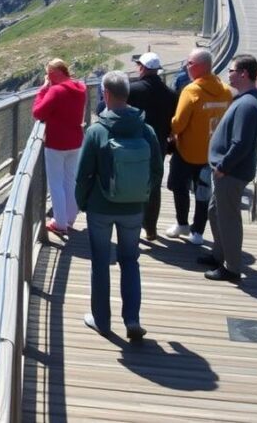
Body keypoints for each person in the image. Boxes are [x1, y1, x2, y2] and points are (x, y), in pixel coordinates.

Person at [75, 71, 162, 341]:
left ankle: (101, 320)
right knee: (130, 261)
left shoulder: (97, 131)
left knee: (100, 262)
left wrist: (83, 203)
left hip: (100, 208)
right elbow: (157, 169)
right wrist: (143, 195)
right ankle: (132, 318)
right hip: (134, 208)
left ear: (106, 94)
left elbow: (82, 174)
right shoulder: (145, 130)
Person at [200, 55, 257, 283]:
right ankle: (220, 255)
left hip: (230, 173)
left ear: (243, 74)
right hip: (227, 171)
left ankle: (232, 267)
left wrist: (223, 166)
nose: (228, 74)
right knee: (215, 212)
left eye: (231, 70)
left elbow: (241, 143)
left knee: (228, 219)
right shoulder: (247, 100)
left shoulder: (247, 104)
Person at [167, 48, 232, 245]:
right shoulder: (226, 91)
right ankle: (198, 232)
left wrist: (170, 126)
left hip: (186, 151)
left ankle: (182, 224)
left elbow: (178, 123)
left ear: (201, 66)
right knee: (203, 191)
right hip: (211, 153)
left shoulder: (191, 90)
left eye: (190, 64)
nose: (187, 67)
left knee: (179, 186)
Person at [32, 58, 87, 235]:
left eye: (48, 74)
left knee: (55, 183)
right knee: (70, 180)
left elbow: (38, 112)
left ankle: (60, 222)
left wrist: (42, 91)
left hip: (57, 142)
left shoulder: (56, 91)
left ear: (56, 73)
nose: (47, 77)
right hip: (75, 141)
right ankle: (70, 217)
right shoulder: (80, 88)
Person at [127, 52, 178, 240]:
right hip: (159, 146)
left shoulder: (132, 90)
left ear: (142, 68)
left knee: (133, 184)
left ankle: (133, 226)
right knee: (154, 186)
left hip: (134, 145)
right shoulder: (171, 94)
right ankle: (151, 228)